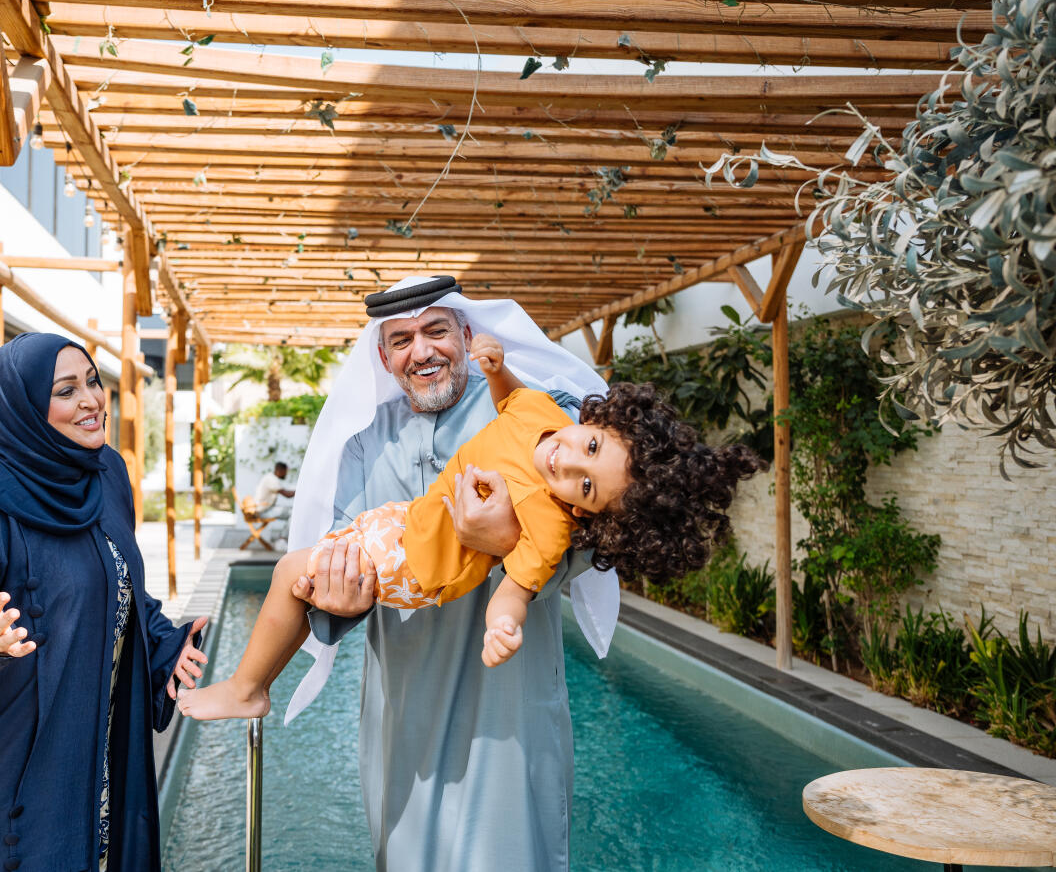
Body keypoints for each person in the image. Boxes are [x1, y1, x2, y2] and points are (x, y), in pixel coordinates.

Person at [179, 334, 759, 719]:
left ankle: (247, 689)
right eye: (588, 445)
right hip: (401, 525)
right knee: (306, 576)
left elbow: (517, 588)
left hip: (415, 565)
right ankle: (252, 683)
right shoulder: (545, 415)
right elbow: (513, 404)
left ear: (586, 511)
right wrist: (499, 370)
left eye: (585, 484)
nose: (568, 461)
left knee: (287, 571)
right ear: (596, 421)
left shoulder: (551, 523)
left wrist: (501, 627)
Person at [282, 275, 620, 871]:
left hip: (510, 709)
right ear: (384, 358)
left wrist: (509, 540)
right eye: (402, 339)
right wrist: (336, 598)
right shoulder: (361, 445)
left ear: (466, 335)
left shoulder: (546, 416)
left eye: (436, 330)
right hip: (404, 707)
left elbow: (602, 534)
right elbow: (339, 573)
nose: (422, 350)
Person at [0, 333, 207, 872]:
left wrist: (164, 647)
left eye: (92, 381)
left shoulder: (106, 475)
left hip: (90, 751)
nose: (92, 400)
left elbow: (119, 588)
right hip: (3, 770)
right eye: (66, 390)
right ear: (23, 406)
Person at [253, 461, 295, 545]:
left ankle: (283, 538)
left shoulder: (270, 477)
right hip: (262, 512)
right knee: (293, 513)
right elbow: (287, 495)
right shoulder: (272, 479)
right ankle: (282, 539)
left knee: (291, 511)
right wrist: (302, 490)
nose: (286, 474)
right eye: (285, 472)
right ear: (280, 470)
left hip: (264, 509)